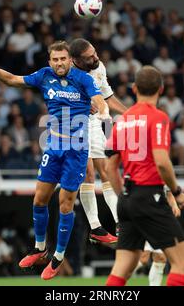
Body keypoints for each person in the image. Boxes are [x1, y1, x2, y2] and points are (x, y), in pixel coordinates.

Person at [0, 41, 109, 280]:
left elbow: (99, 100)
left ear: (70, 60)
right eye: (55, 59)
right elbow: (13, 80)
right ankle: (39, 248)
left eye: (63, 59)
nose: (59, 63)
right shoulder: (44, 75)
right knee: (39, 200)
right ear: (50, 61)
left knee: (65, 204)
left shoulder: (84, 79)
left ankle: (58, 257)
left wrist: (103, 111)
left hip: (76, 149)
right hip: (54, 145)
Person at [105, 66, 184, 286]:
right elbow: (162, 162)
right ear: (161, 89)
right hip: (150, 196)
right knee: (183, 263)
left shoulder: (122, 120)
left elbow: (109, 168)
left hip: (126, 199)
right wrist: (177, 193)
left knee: (122, 268)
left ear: (134, 88)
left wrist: (124, 196)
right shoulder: (159, 117)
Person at [69, 38, 128, 245]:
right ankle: (95, 227)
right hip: (72, 122)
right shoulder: (66, 72)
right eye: (89, 57)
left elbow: (108, 97)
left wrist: (130, 113)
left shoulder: (99, 67)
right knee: (88, 173)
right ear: (76, 60)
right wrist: (84, 105)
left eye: (94, 53)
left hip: (95, 122)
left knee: (106, 170)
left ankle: (121, 224)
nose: (96, 58)